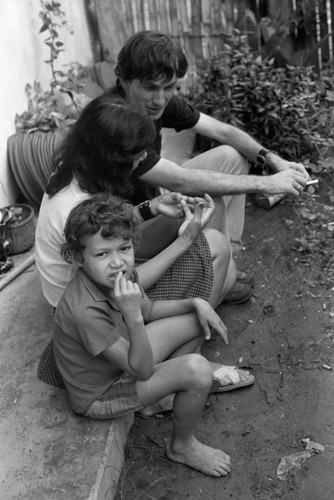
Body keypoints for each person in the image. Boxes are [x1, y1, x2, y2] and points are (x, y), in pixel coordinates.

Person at [53, 193, 255, 477]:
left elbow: (149, 310)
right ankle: (181, 446)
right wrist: (133, 315)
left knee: (199, 319)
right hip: (101, 394)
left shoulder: (113, 277)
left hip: (125, 362)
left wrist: (196, 303)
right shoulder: (83, 310)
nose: (117, 263)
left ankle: (166, 393)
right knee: (197, 371)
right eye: (102, 254)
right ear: (77, 257)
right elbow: (143, 369)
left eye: (124, 248)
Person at [104, 30, 310, 288]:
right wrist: (266, 184)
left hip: (152, 201)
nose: (160, 99)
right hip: (123, 230)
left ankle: (226, 259)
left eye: (169, 87)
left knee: (230, 156)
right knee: (208, 197)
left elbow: (223, 131)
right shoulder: (115, 123)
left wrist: (272, 159)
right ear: (123, 79)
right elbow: (181, 182)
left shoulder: (155, 103)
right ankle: (216, 275)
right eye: (150, 88)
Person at [35, 95, 237, 310]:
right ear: (112, 160)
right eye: (137, 154)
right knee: (219, 250)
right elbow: (120, 286)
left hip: (98, 272)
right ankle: (193, 325)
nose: (142, 159)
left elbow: (106, 228)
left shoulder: (79, 166)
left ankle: (211, 279)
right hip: (94, 304)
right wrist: (184, 242)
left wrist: (153, 206)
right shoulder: (75, 210)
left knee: (204, 211)